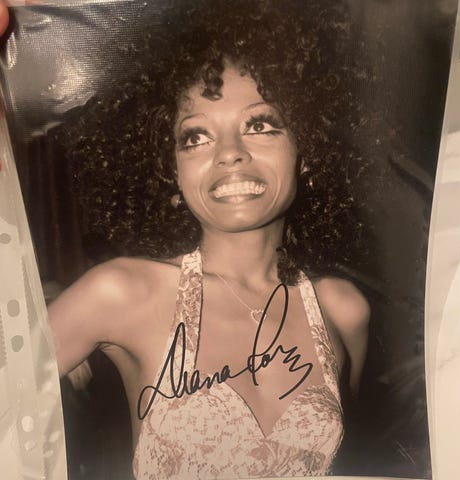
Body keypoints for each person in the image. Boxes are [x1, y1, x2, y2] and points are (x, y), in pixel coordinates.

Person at [3, 1, 370, 478]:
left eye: (259, 125)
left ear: (307, 153)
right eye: (196, 137)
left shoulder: (342, 309)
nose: (230, 154)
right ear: (170, 169)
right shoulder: (122, 293)